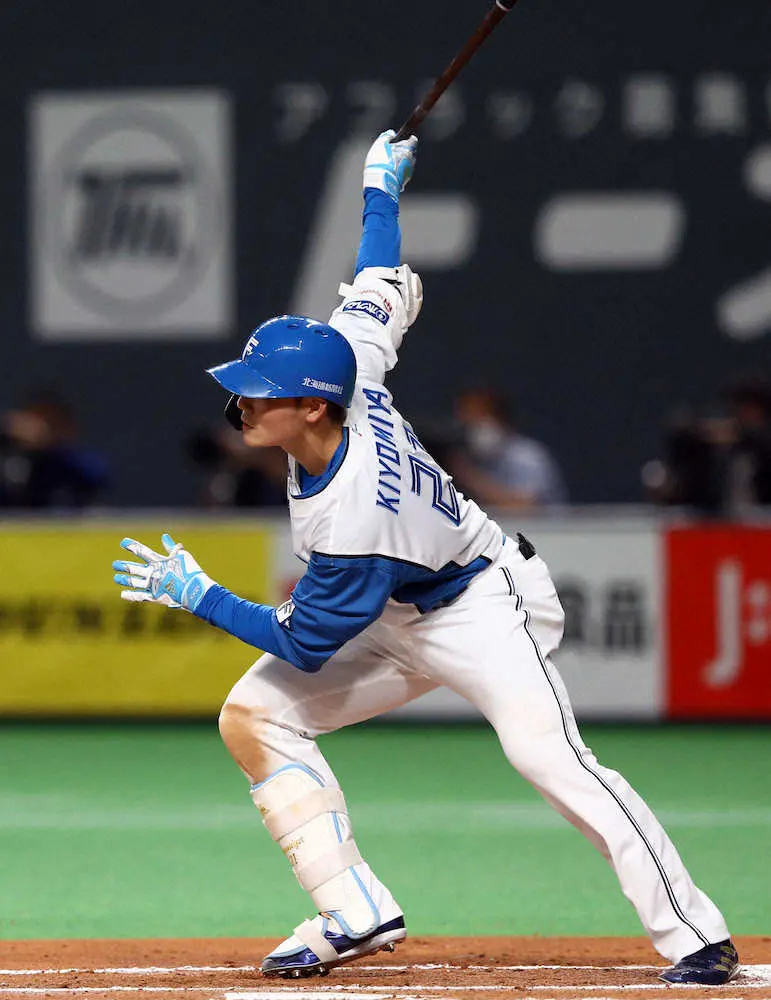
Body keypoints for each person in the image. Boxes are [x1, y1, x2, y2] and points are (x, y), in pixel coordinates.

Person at [111, 131, 738, 985]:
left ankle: (696, 935)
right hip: (398, 604)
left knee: (549, 759)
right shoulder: (350, 370)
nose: (241, 403)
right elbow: (377, 282)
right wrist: (380, 191)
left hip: (483, 605)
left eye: (259, 393)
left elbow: (303, 642)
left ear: (310, 407)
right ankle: (353, 909)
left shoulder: (356, 513)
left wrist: (201, 595)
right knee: (253, 715)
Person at [449, 388, 567, 509]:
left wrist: (469, 477)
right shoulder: (465, 457)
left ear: (500, 419)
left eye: (478, 421)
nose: (473, 431)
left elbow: (525, 507)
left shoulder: (528, 457)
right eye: (468, 424)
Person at [1, 391, 109, 509]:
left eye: (48, 422)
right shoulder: (15, 457)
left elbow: (97, 476)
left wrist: (47, 443)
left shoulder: (71, 460)